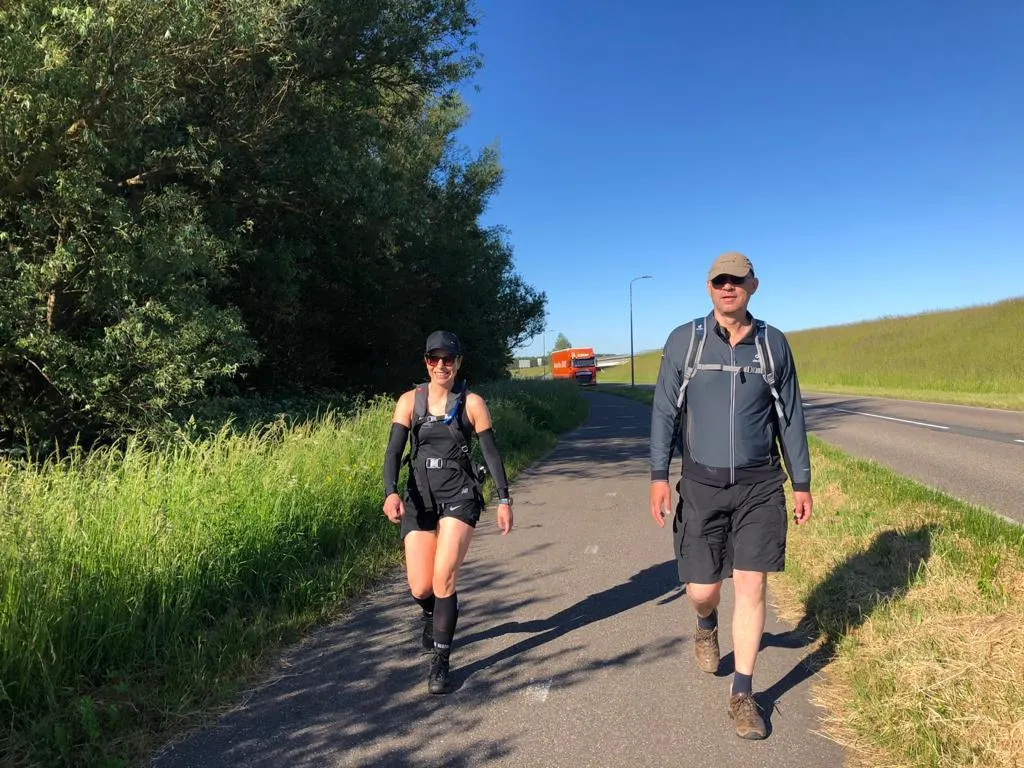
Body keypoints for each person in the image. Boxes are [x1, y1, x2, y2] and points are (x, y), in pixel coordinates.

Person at [648, 252, 813, 740]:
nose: (728, 287)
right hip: (701, 484)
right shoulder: (686, 342)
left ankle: (743, 693)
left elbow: (791, 417)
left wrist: (800, 480)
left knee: (752, 585)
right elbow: (663, 413)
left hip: (760, 485)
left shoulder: (772, 345)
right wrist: (659, 474)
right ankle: (705, 622)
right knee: (702, 589)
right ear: (708, 287)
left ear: (753, 286)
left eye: (737, 281)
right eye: (720, 280)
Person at [382, 330, 513, 694]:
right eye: (434, 358)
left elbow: (491, 453)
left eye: (449, 359)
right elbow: (393, 452)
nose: (441, 365)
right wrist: (390, 492)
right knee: (420, 586)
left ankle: (440, 663)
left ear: (458, 362)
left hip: (459, 495)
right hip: (419, 498)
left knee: (443, 578)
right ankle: (433, 612)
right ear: (425, 361)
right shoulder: (409, 401)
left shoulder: (472, 403)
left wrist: (504, 499)